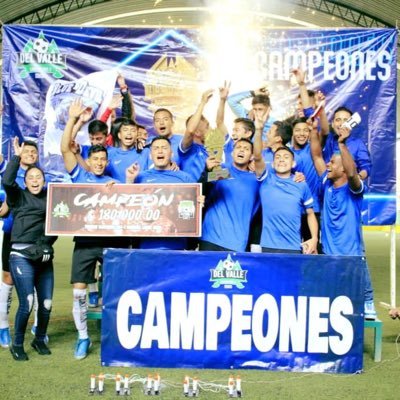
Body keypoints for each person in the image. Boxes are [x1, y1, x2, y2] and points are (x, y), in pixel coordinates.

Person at [61, 98, 131, 359]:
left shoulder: (114, 181)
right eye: (96, 159)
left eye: (103, 159)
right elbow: (66, 151)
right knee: (79, 289)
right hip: (86, 242)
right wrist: (73, 120)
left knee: (115, 287)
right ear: (89, 162)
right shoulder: (81, 176)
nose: (100, 162)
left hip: (110, 241)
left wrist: (120, 192)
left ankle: (115, 336)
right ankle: (82, 337)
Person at [309, 116, 376, 319]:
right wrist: (313, 131)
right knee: (331, 299)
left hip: (351, 254)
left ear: (343, 169)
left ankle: (368, 301)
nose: (328, 164)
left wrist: (341, 144)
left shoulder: (354, 187)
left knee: (360, 305)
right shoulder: (326, 183)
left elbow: (353, 172)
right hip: (329, 252)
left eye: (333, 162)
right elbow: (316, 156)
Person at [3, 143, 57, 361]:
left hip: (43, 255)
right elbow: (7, 180)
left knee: (46, 304)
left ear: (44, 181)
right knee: (28, 302)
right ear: (25, 181)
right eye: (31, 178)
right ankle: (17, 344)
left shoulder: (50, 199)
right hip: (21, 255)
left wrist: (46, 243)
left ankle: (39, 339)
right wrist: (16, 157)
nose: (35, 181)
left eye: (39, 178)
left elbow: (58, 223)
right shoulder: (18, 197)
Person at [253, 112, 318, 254]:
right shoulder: (266, 180)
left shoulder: (301, 183)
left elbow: (310, 213)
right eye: (278, 157)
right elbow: (257, 156)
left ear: (294, 163)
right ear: (273, 163)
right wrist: (258, 130)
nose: (281, 159)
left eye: (286, 157)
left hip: (294, 247)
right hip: (268, 246)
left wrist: (314, 238)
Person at [126, 136, 197, 250]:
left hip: (177, 246)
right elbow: (128, 207)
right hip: (145, 246)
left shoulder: (185, 178)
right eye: (156, 148)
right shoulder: (139, 177)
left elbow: (192, 212)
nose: (160, 151)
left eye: (164, 148)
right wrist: (129, 180)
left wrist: (198, 202)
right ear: (150, 155)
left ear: (172, 153)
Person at [199, 138, 260, 252]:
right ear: (232, 153)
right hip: (210, 238)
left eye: (246, 149)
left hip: (237, 243)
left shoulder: (256, 180)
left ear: (252, 156)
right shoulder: (223, 171)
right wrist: (207, 170)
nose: (241, 150)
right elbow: (201, 191)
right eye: (238, 147)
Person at [322, 106, 371, 180]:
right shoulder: (327, 140)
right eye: (338, 120)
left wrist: (357, 178)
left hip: (347, 188)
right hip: (326, 187)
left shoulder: (357, 144)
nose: (342, 123)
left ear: (352, 124)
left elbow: (366, 167)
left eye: (346, 120)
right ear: (332, 124)